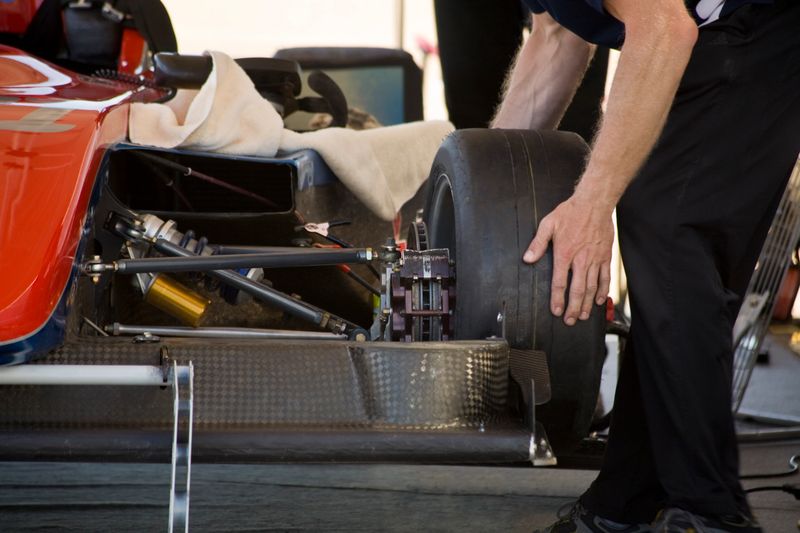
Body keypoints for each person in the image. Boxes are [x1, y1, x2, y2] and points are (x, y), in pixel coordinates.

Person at [491, 0, 800, 531]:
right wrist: (479, 207)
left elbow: (661, 26)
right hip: (719, 30)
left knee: (668, 223)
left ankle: (710, 512)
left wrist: (592, 204)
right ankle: (627, 499)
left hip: (763, 23)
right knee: (668, 241)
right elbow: (556, 39)